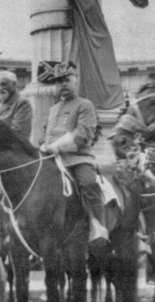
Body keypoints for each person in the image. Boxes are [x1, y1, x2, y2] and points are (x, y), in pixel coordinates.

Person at [38, 61, 108, 247]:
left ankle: (97, 226)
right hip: (52, 160)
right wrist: (42, 146)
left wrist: (56, 146)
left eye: (67, 80)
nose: (63, 84)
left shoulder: (85, 105)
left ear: (75, 81)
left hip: (77, 159)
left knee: (87, 183)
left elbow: (83, 134)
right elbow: (46, 135)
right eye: (59, 81)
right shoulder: (53, 109)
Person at [0, 70, 33, 141]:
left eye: (4, 84)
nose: (1, 88)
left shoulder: (23, 103)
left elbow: (18, 132)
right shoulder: (3, 104)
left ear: (14, 84)